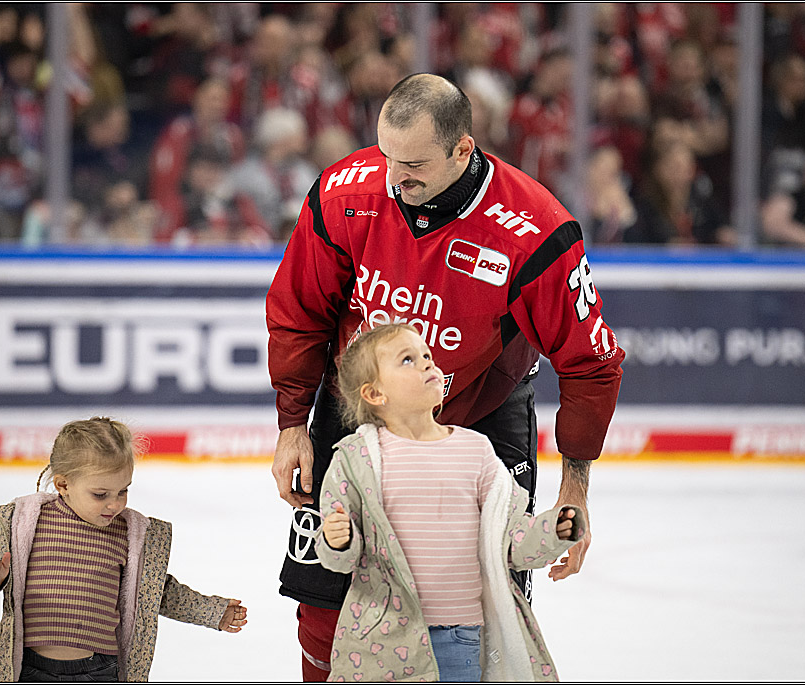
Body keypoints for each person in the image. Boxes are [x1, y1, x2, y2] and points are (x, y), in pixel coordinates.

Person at [266, 73, 624, 681]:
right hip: (357, 412)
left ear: (463, 149)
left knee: (492, 594)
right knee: (324, 594)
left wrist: (576, 487)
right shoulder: (341, 193)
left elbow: (590, 362)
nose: (393, 180)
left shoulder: (535, 229)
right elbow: (300, 312)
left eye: (413, 165)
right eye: (386, 157)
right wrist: (293, 424)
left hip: (483, 412)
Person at [315, 323, 586, 681]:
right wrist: (338, 539)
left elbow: (510, 540)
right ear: (375, 393)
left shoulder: (476, 451)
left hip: (462, 640)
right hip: (382, 644)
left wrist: (552, 530)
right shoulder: (356, 459)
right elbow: (340, 559)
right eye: (408, 360)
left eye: (427, 355)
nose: (428, 363)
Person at [0, 417, 247, 682]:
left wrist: (211, 612)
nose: (115, 504)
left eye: (123, 491)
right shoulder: (26, 522)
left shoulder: (127, 534)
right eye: (100, 495)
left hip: (98, 671)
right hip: (30, 668)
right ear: (64, 484)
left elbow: (157, 592)